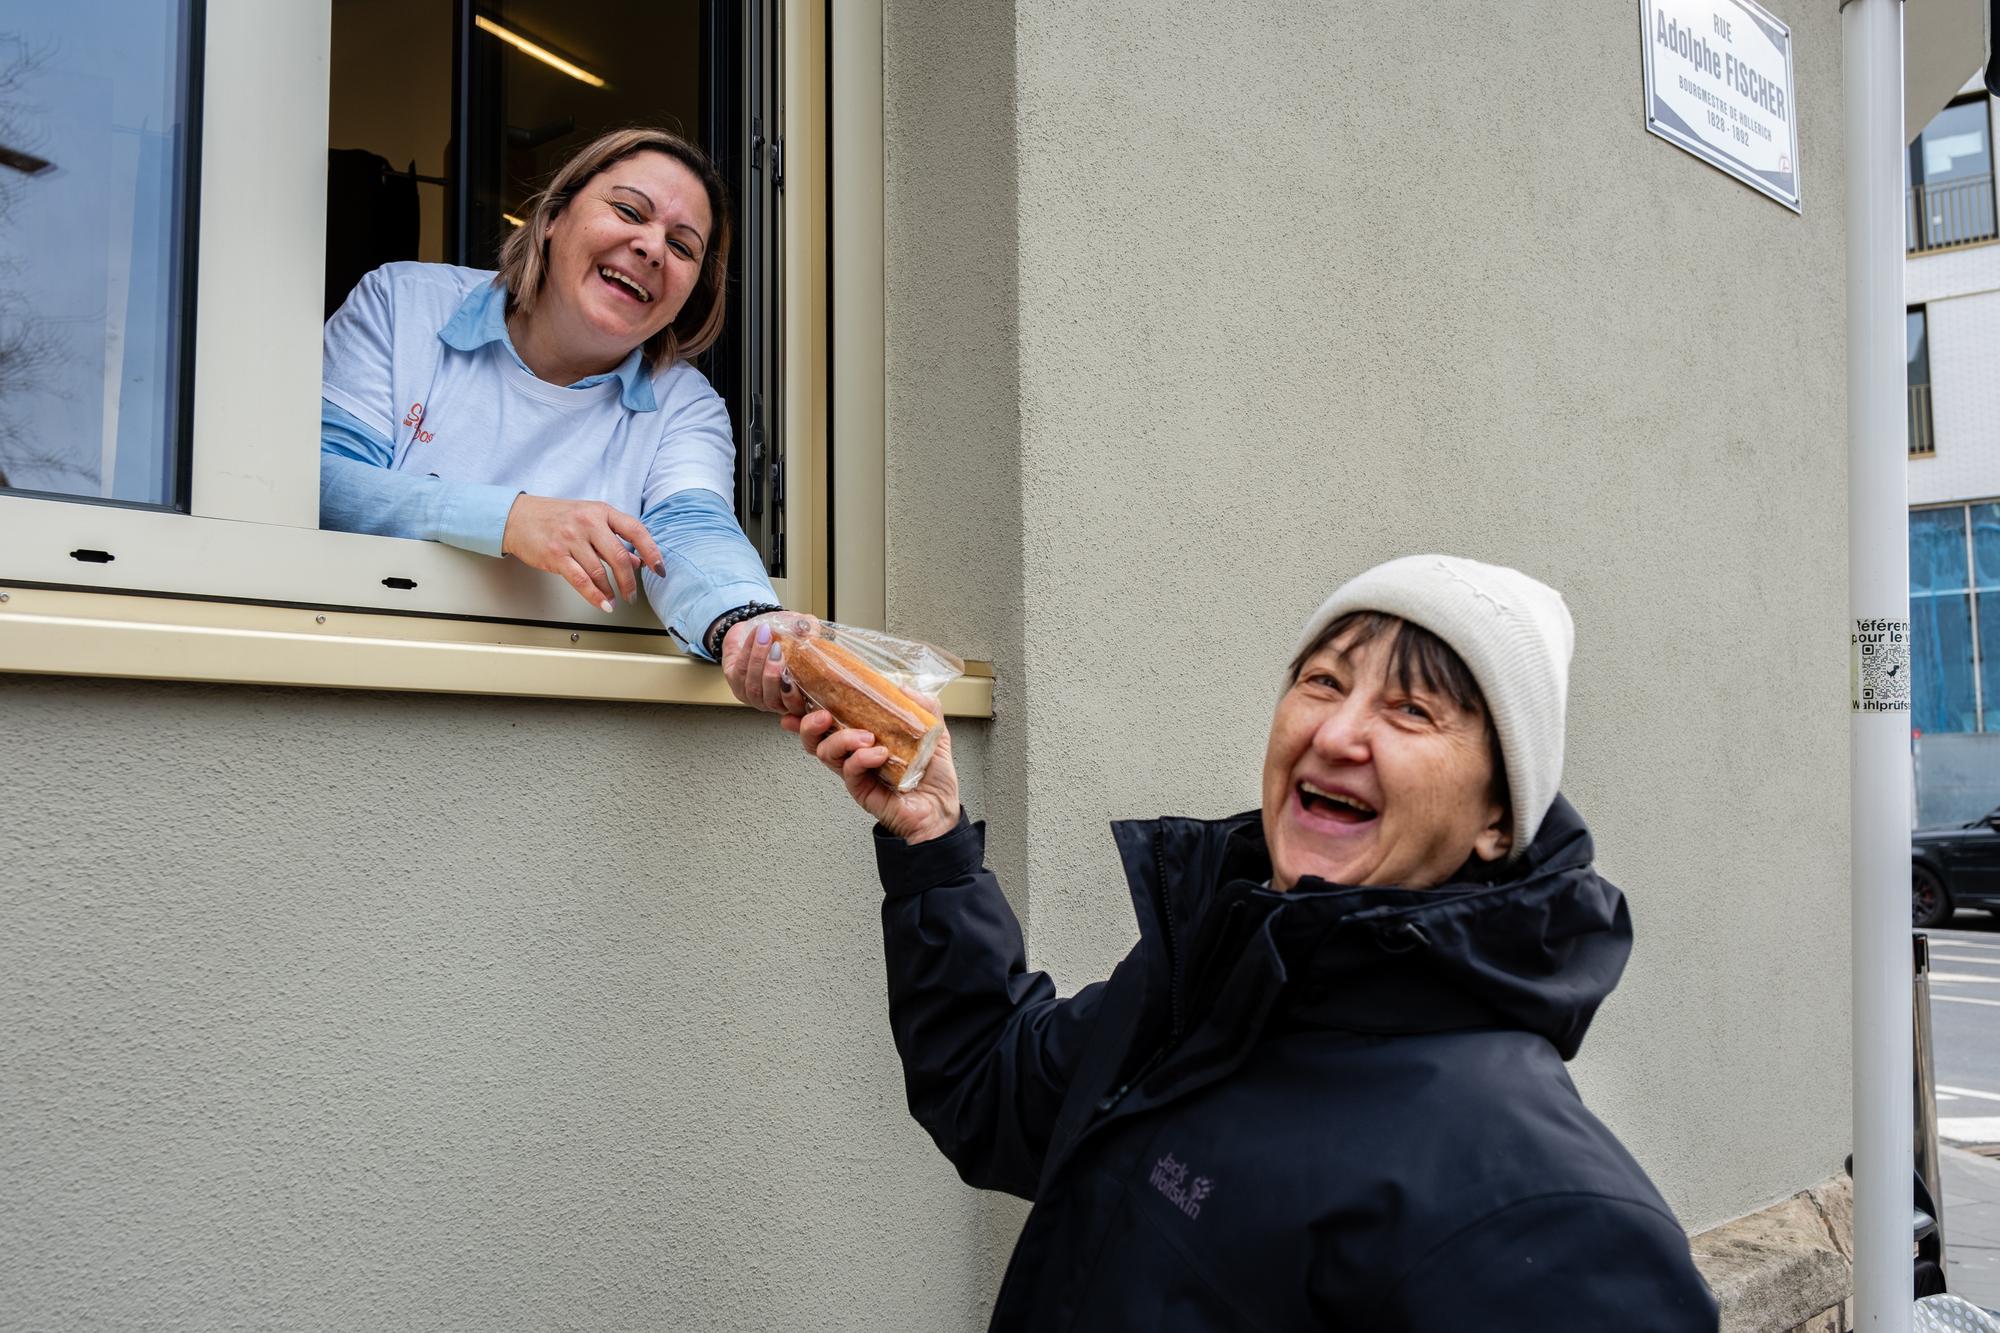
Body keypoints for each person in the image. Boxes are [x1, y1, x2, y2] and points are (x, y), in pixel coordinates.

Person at [784, 554, 1719, 1330]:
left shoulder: (1547, 1213)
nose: (1339, 731)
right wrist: (934, 839)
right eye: (1323, 680)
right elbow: (994, 1090)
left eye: (1412, 710)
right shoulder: (1206, 990)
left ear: (1497, 820)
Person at [320, 127, 797, 710]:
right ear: (552, 217)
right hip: (356, 675)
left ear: (692, 290)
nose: (651, 247)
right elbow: (322, 483)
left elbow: (691, 532)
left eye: (682, 246)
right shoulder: (403, 303)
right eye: (628, 210)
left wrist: (750, 626)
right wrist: (513, 519)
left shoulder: (685, 404)